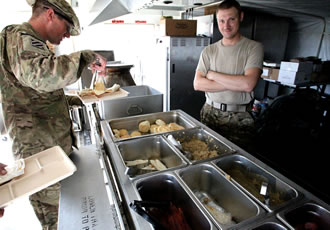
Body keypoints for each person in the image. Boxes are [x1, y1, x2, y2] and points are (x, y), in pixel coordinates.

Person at [0, 0, 106, 229]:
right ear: (50, 14)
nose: (67, 35)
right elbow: (43, 76)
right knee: (59, 221)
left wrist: (71, 100)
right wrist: (86, 56)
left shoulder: (33, 43)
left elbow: (33, 95)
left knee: (69, 214)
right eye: (67, 27)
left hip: (50, 149)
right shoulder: (19, 37)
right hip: (40, 155)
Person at [194, 0, 264, 152]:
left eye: (231, 19)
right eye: (222, 20)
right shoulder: (209, 51)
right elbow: (198, 84)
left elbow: (248, 85)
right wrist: (236, 82)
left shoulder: (253, 48)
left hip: (239, 117)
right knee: (205, 156)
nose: (226, 26)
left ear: (241, 17)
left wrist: (212, 75)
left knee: (236, 165)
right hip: (209, 113)